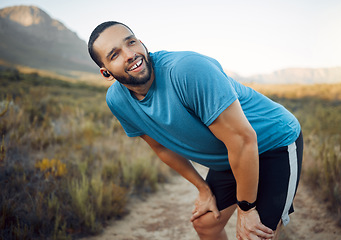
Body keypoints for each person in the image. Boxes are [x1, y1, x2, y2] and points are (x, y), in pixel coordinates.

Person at [88, 21, 303, 240]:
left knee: (255, 235)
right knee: (206, 224)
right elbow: (161, 148)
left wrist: (246, 209)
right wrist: (203, 188)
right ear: (106, 73)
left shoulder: (187, 70)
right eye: (114, 55)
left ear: (142, 43)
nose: (130, 54)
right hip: (231, 155)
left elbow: (243, 140)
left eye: (131, 43)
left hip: (274, 143)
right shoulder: (118, 101)